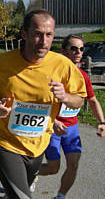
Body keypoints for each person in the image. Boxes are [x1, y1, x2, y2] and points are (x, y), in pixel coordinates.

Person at [0, 10, 87, 199]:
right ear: (25, 34)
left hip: (38, 145)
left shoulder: (63, 65)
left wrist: (66, 96)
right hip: (7, 143)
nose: (44, 41)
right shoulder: (3, 61)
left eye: (49, 35)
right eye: (37, 34)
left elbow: (80, 99)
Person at [37, 34, 105, 199]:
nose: (78, 52)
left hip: (71, 127)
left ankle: (60, 196)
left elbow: (93, 100)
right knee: (53, 167)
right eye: (74, 48)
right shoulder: (52, 73)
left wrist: (102, 122)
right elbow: (39, 102)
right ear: (63, 51)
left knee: (73, 165)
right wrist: (53, 121)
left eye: (81, 49)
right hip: (53, 126)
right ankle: (27, 174)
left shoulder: (83, 76)